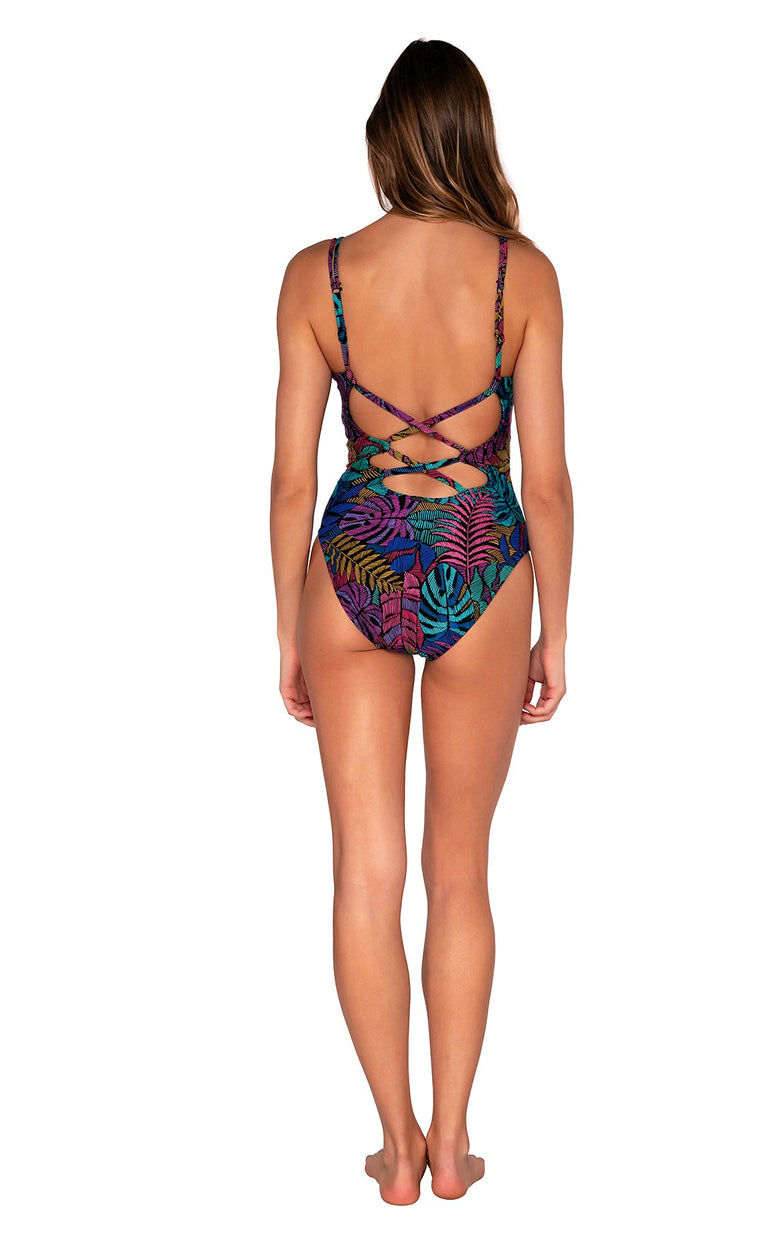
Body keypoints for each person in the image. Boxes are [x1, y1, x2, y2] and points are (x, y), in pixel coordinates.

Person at [270, 38, 572, 1205]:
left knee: (364, 871)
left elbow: (291, 481)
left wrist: (287, 628)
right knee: (459, 872)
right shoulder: (521, 275)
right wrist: (556, 627)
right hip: (479, 564)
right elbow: (545, 481)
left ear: (385, 141)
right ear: (473, 136)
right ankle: (451, 1144)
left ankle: (393, 1148)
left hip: (351, 560)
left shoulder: (318, 276)